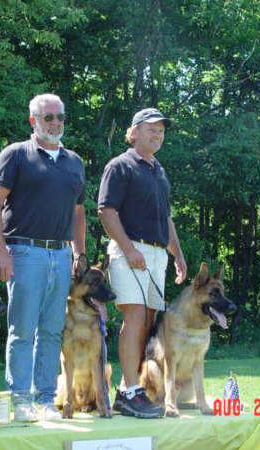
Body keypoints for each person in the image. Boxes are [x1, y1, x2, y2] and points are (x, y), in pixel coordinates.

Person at [0, 93, 86, 421]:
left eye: (60, 117)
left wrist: (79, 253)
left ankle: (45, 399)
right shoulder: (16, 154)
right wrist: (0, 250)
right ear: (33, 121)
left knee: (52, 331)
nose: (55, 123)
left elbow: (79, 213)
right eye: (48, 117)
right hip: (24, 252)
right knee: (23, 330)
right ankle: (20, 400)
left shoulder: (74, 162)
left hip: (62, 254)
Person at [97, 108, 187, 418]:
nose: (157, 134)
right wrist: (128, 249)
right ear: (133, 132)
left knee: (148, 321)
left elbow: (166, 217)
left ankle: (128, 388)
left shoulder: (159, 170)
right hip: (130, 250)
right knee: (134, 316)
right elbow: (106, 211)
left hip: (158, 254)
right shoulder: (119, 166)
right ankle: (131, 391)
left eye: (161, 130)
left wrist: (177, 254)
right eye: (151, 129)